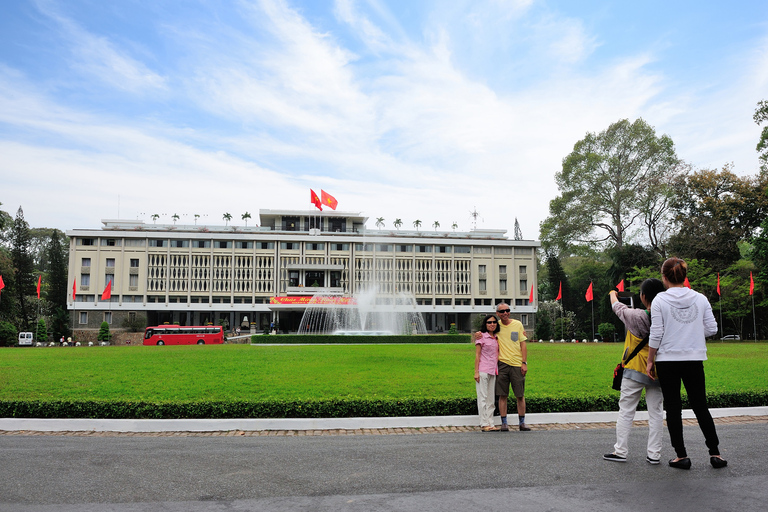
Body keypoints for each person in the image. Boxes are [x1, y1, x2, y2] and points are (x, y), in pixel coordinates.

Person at [646, 257, 727, 470]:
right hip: (694, 359)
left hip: (667, 361)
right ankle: (715, 453)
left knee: (673, 408)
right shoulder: (700, 299)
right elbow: (712, 329)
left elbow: (656, 334)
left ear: (664, 277)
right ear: (684, 276)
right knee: (701, 406)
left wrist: (649, 360)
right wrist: (691, 333)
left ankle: (681, 456)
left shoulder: (659, 301)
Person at [603, 279, 666, 464]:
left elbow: (618, 308)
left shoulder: (637, 316)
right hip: (657, 370)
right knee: (656, 413)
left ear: (643, 296)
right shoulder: (666, 317)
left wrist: (613, 294)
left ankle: (620, 451)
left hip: (633, 370)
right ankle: (654, 454)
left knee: (626, 411)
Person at [476, 303, 530, 431]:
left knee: (520, 395)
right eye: (502, 311)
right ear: (498, 313)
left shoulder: (517, 324)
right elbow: (484, 332)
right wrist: (478, 333)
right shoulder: (496, 326)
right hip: (502, 365)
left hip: (517, 364)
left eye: (507, 310)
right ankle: (504, 422)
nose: (505, 313)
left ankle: (522, 422)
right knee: (502, 395)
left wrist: (524, 362)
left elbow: (523, 345)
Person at [475, 314, 500, 432]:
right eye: (489, 322)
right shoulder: (481, 337)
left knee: (491, 398)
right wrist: (476, 372)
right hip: (483, 370)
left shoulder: (496, 337)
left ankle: (491, 422)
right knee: (483, 397)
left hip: (493, 370)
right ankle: (484, 423)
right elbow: (477, 355)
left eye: (494, 322)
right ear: (485, 324)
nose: (492, 324)